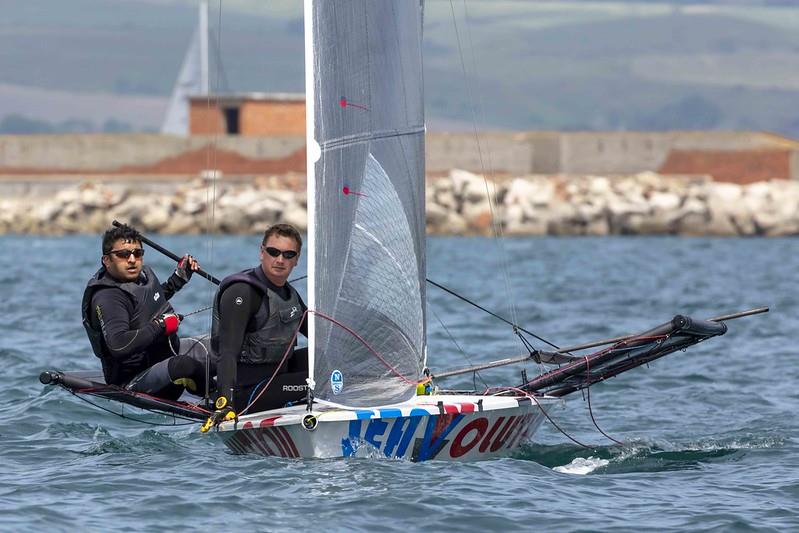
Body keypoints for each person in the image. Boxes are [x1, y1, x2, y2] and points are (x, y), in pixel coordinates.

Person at [81, 223, 211, 400]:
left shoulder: (139, 279)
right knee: (185, 366)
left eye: (138, 253)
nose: (132, 259)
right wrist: (160, 325)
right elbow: (119, 345)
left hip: (166, 353)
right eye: (123, 254)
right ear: (107, 260)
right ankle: (221, 401)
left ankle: (244, 389)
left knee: (222, 345)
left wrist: (178, 279)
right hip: (135, 379)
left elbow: (146, 304)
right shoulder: (108, 298)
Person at [210, 223, 308, 421]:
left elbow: (321, 333)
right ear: (262, 252)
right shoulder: (242, 292)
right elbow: (227, 352)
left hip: (278, 378)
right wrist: (225, 402)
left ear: (297, 259)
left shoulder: (289, 294)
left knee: (328, 362)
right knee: (325, 380)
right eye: (273, 252)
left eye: (288, 255)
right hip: (247, 392)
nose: (280, 260)